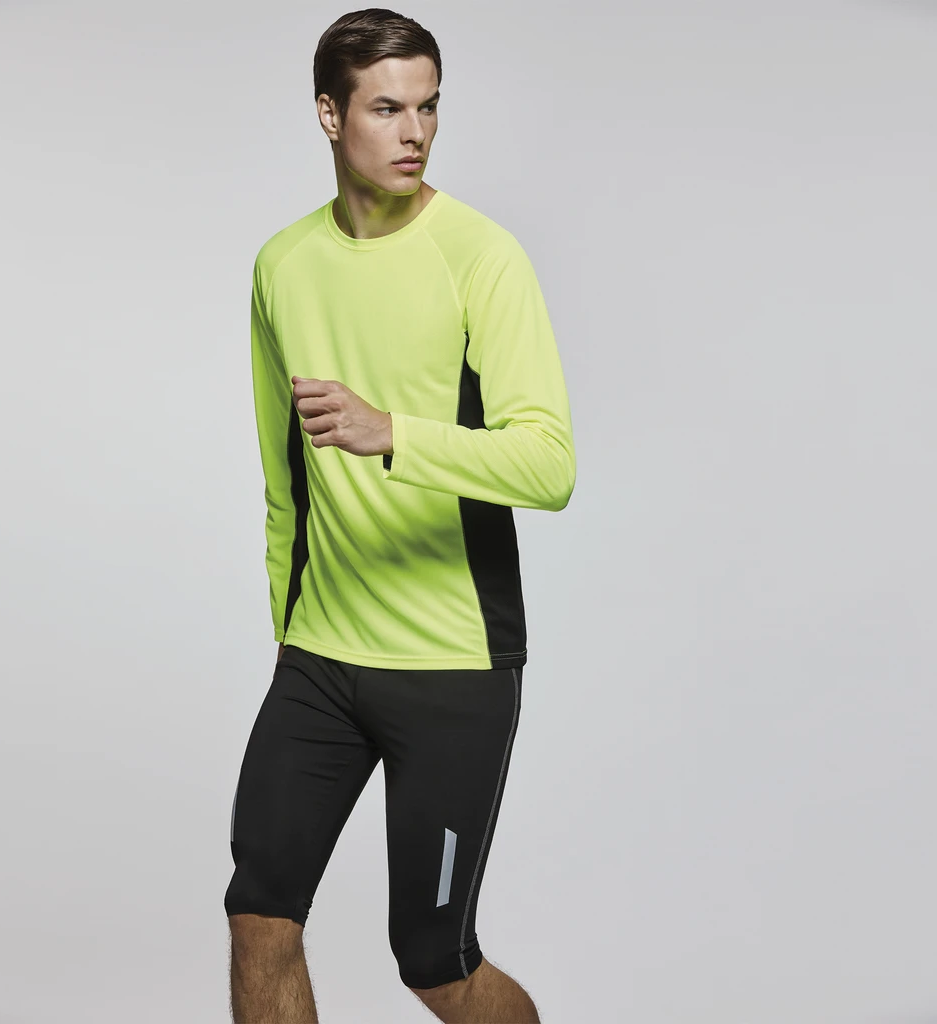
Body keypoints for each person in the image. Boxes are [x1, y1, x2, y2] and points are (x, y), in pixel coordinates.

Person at [224, 8, 575, 1022]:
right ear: (330, 115)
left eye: (427, 107)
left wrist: (395, 434)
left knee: (434, 961)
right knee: (259, 915)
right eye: (387, 108)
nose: (414, 131)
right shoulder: (283, 264)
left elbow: (549, 464)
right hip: (320, 659)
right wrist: (289, 626)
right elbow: (283, 474)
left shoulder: (482, 257)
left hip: (451, 666)